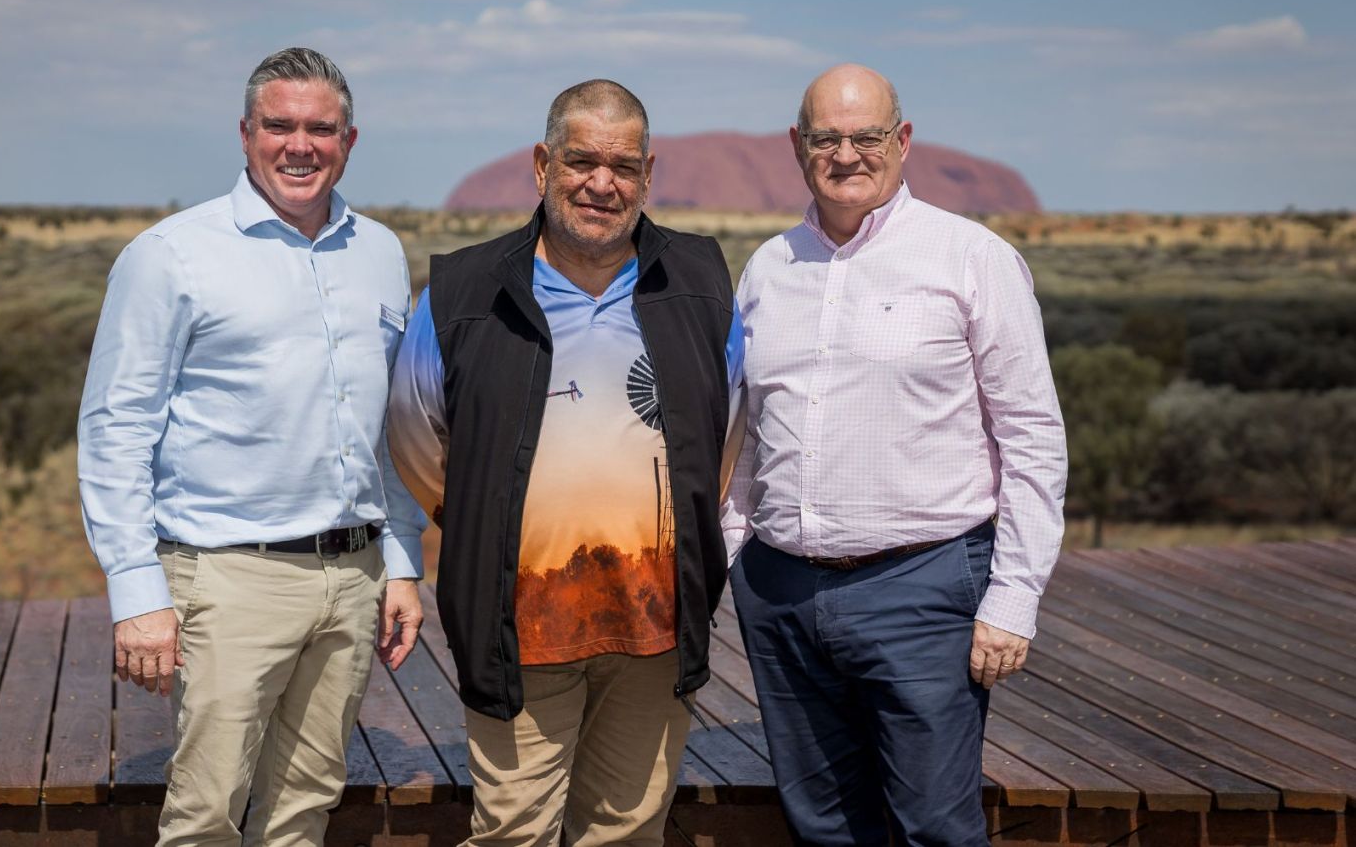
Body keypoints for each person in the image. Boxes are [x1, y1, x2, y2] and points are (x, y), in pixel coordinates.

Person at [77, 47, 428, 847]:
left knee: (305, 809)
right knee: (204, 820)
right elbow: (115, 429)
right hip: (228, 580)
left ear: (350, 140)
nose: (299, 145)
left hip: (351, 578)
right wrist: (136, 594)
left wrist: (401, 560)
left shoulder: (379, 253)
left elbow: (389, 425)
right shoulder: (171, 255)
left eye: (320, 128)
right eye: (279, 126)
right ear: (245, 133)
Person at [387, 80, 743, 847]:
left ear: (649, 175)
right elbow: (418, 439)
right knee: (513, 831)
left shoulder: (703, 286)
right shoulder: (462, 294)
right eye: (581, 161)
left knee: (627, 829)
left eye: (622, 166)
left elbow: (726, 435)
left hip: (655, 624)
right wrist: (493, 523)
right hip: (521, 625)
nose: (601, 184)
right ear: (543, 164)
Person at [723, 64, 1067, 846]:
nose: (846, 154)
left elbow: (1032, 437)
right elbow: (749, 434)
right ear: (797, 146)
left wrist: (1013, 599)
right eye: (826, 138)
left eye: (867, 136)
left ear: (902, 141)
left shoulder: (972, 258)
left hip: (922, 589)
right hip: (780, 598)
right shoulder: (768, 268)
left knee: (936, 831)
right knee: (825, 830)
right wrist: (731, 556)